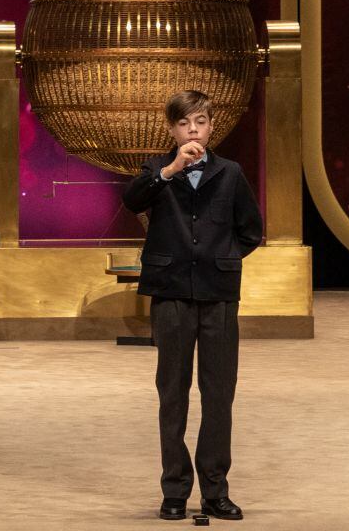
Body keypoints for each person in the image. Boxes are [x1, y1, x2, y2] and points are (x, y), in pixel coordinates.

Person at [122, 90, 263, 523]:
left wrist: (222, 259)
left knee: (219, 395)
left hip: (218, 293)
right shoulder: (156, 171)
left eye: (200, 122)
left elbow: (250, 231)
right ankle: (175, 491)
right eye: (184, 124)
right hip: (170, 292)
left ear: (211, 126)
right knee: (173, 394)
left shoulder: (231, 172)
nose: (193, 131)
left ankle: (216, 491)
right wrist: (170, 169)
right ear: (172, 129)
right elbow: (132, 200)